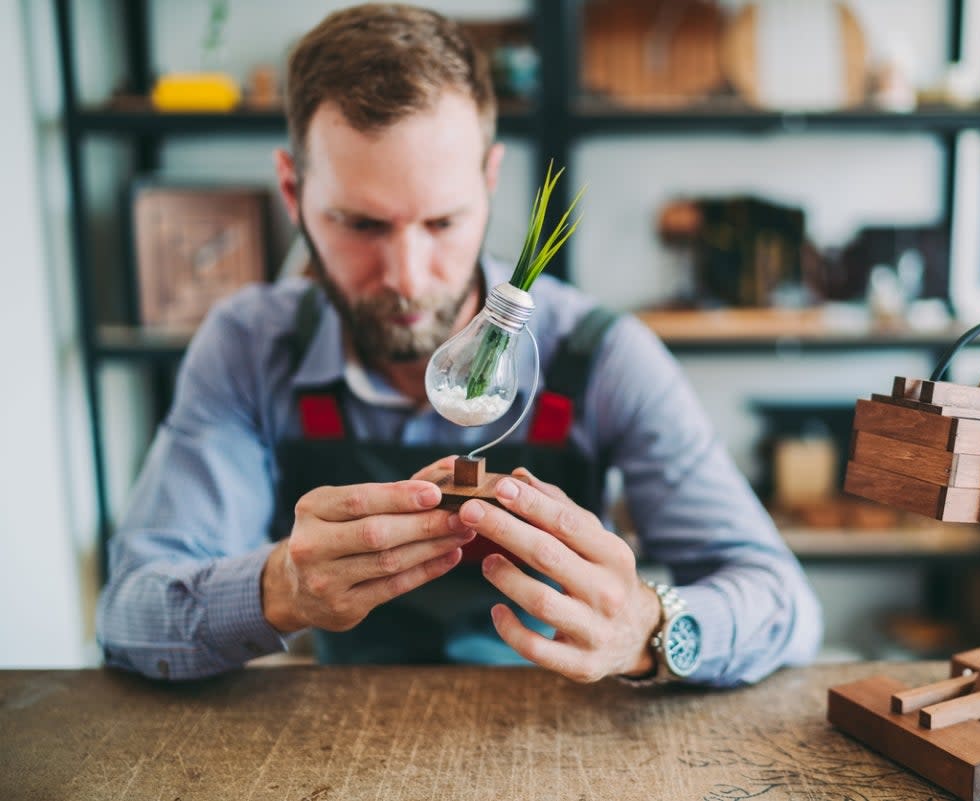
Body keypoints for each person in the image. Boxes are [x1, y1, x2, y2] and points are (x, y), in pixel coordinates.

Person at [97, 3, 821, 687]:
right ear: (293, 194)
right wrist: (282, 586)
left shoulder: (600, 356)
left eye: (442, 223)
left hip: (565, 734)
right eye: (360, 224)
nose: (407, 279)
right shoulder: (250, 349)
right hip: (340, 735)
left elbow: (785, 604)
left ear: (490, 181)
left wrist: (650, 627)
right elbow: (131, 618)